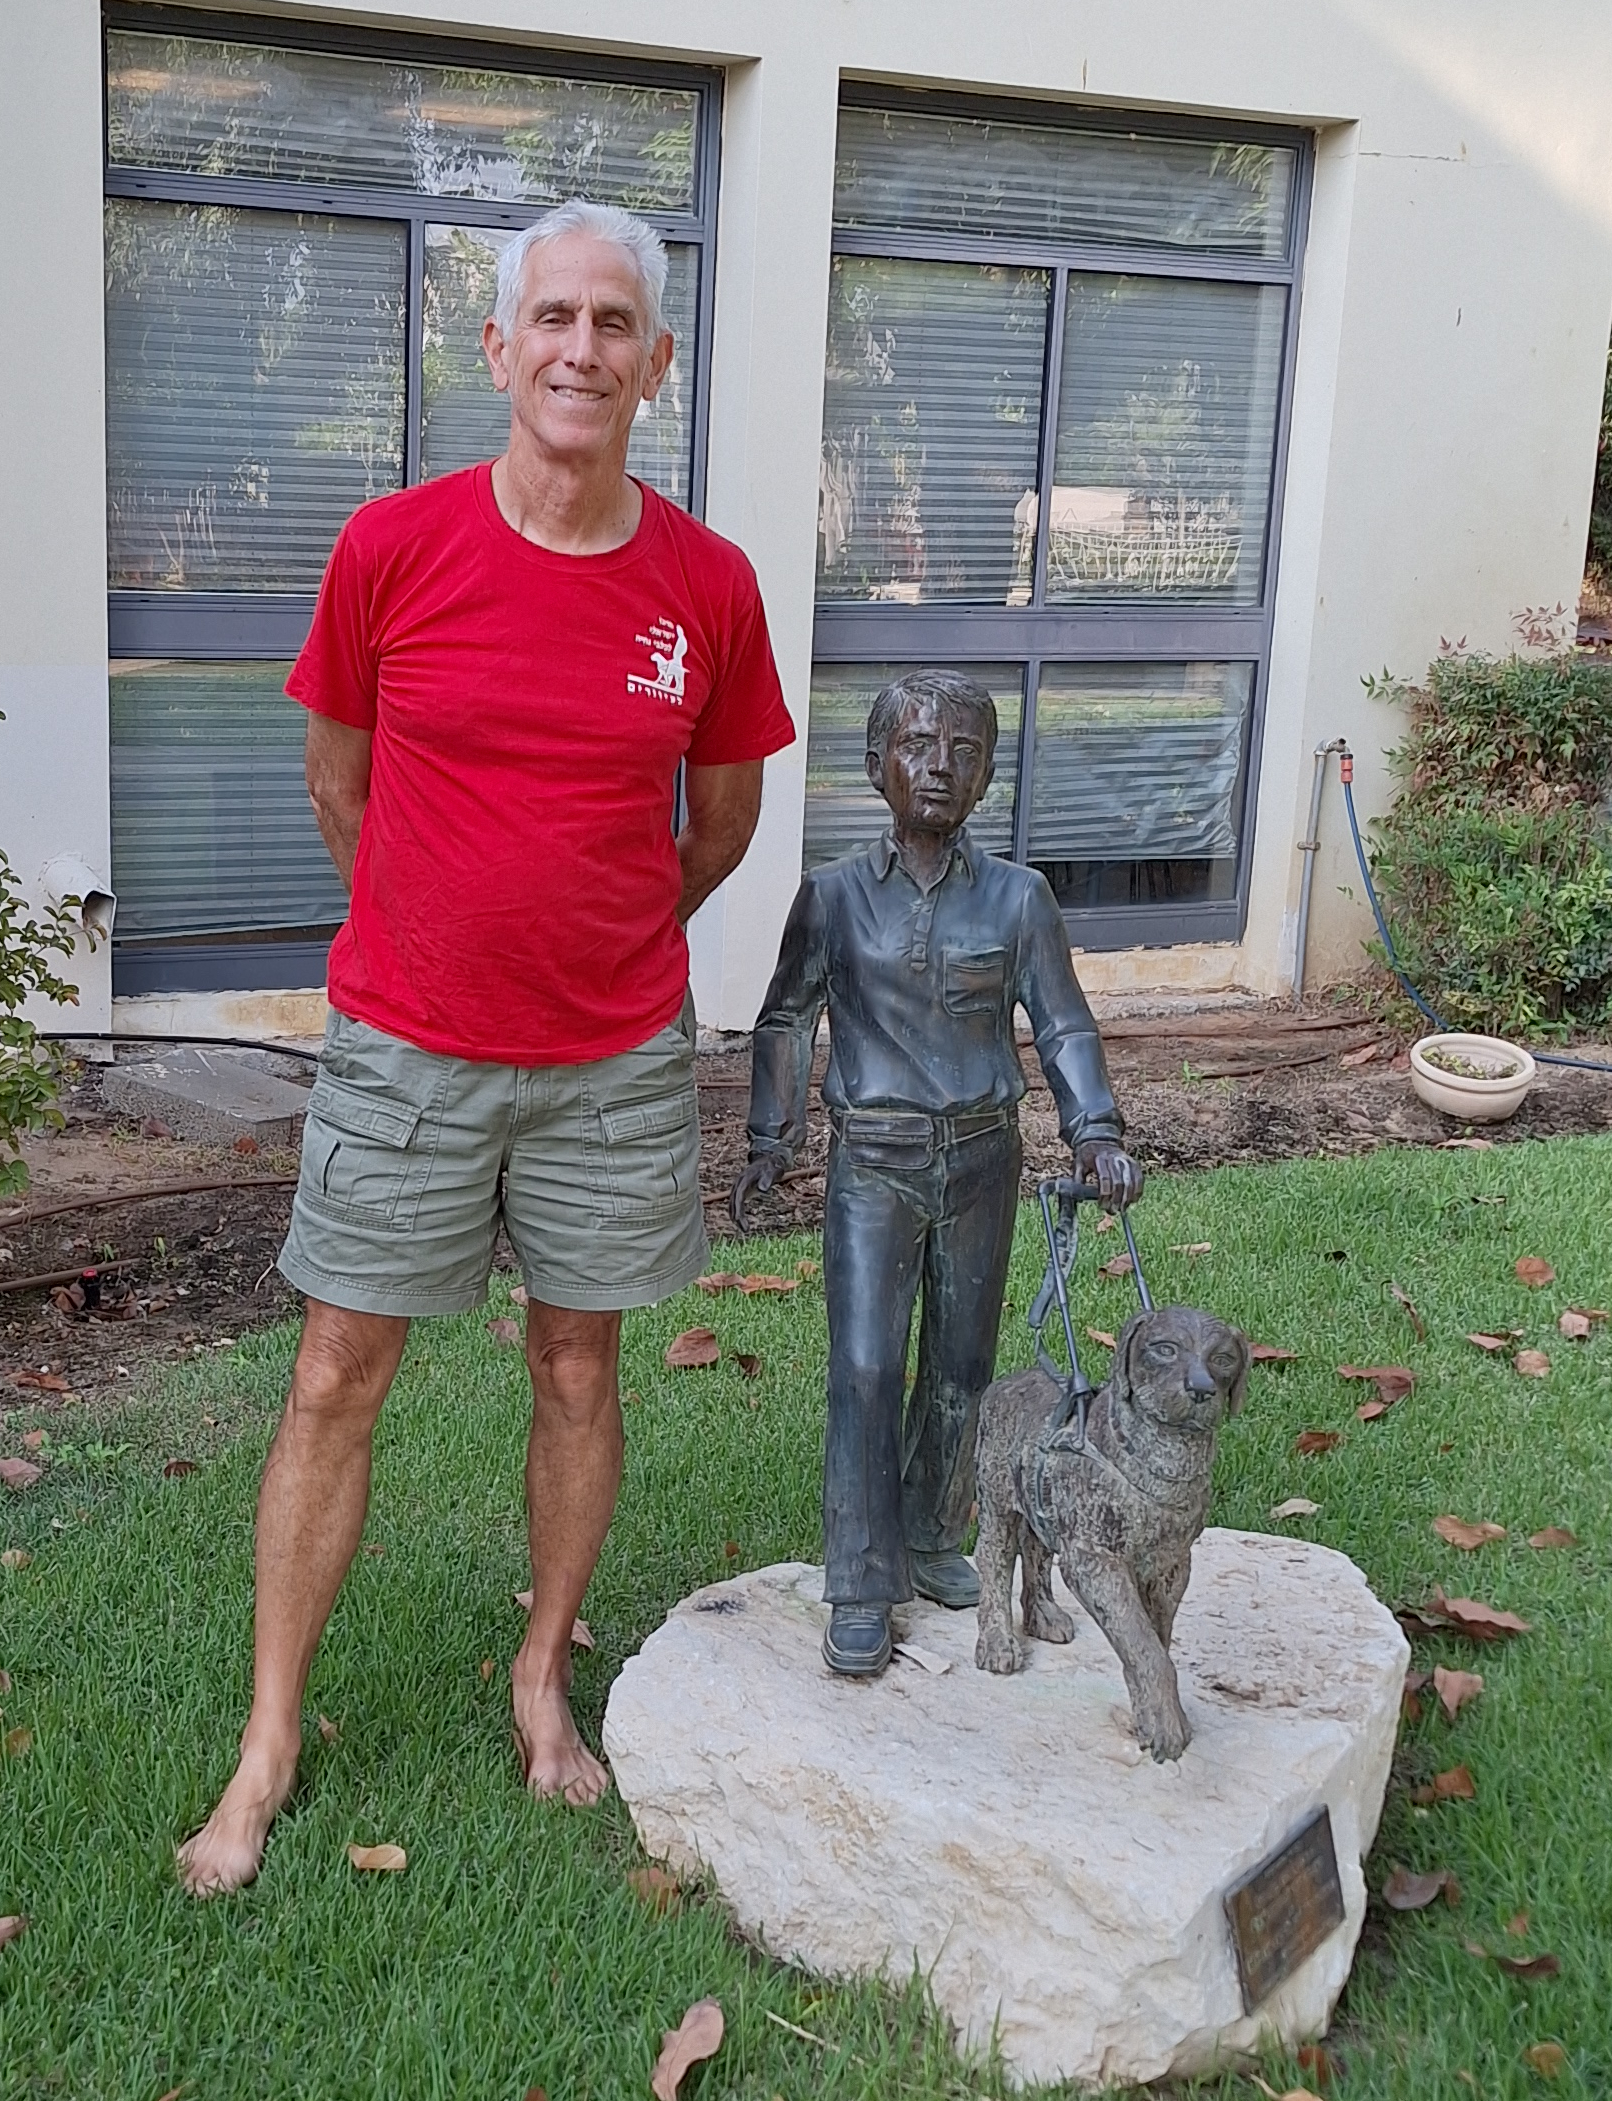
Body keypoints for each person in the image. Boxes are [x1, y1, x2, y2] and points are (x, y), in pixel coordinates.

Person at [177, 199, 794, 1895]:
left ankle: (541, 1669)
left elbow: (723, 819)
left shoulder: (708, 586)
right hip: (407, 1048)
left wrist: (598, 931)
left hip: (609, 1059)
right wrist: (435, 931)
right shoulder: (394, 547)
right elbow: (336, 782)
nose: (580, 349)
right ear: (499, 344)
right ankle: (270, 1733)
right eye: (553, 318)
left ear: (654, 362)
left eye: (613, 323)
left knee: (578, 1368)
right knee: (332, 1380)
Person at [732, 670, 1139, 1678]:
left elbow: (1063, 1023)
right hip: (873, 1163)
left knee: (960, 1373)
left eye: (963, 749)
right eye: (917, 744)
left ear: (987, 774)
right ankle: (861, 1578)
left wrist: (1093, 1128)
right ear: (876, 765)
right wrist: (770, 1141)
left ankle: (928, 1532)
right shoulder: (829, 898)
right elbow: (787, 1019)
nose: (939, 766)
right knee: (868, 1370)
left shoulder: (1018, 898)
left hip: (981, 1159)